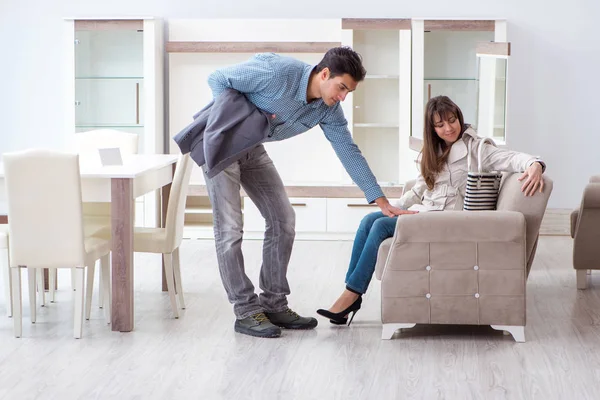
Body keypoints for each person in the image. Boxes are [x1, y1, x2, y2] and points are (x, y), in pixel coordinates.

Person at [203, 47, 415, 338]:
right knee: (230, 229)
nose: (342, 97)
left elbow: (347, 150)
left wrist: (380, 200)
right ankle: (246, 311)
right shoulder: (278, 73)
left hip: (252, 149)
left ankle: (274, 304)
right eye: (341, 87)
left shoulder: (327, 108)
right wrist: (231, 120)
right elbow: (218, 78)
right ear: (324, 73)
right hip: (223, 144)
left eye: (348, 92)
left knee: (283, 220)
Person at [316, 95, 547, 325]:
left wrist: (535, 164)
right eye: (440, 125)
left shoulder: (477, 149)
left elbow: (514, 159)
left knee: (380, 226)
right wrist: (394, 208)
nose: (448, 128)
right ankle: (350, 295)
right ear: (432, 129)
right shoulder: (434, 150)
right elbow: (419, 189)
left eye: (452, 120)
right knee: (369, 220)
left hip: (447, 222)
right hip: (425, 215)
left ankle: (352, 295)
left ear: (459, 118)